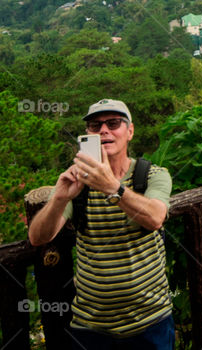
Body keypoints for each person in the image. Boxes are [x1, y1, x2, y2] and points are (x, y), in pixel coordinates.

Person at [28, 99, 174, 349]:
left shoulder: (151, 175)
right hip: (91, 326)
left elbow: (155, 218)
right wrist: (61, 197)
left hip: (151, 320)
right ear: (88, 135)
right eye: (95, 125)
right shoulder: (77, 184)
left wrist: (111, 187)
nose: (104, 130)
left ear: (130, 131)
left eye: (113, 123)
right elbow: (38, 237)